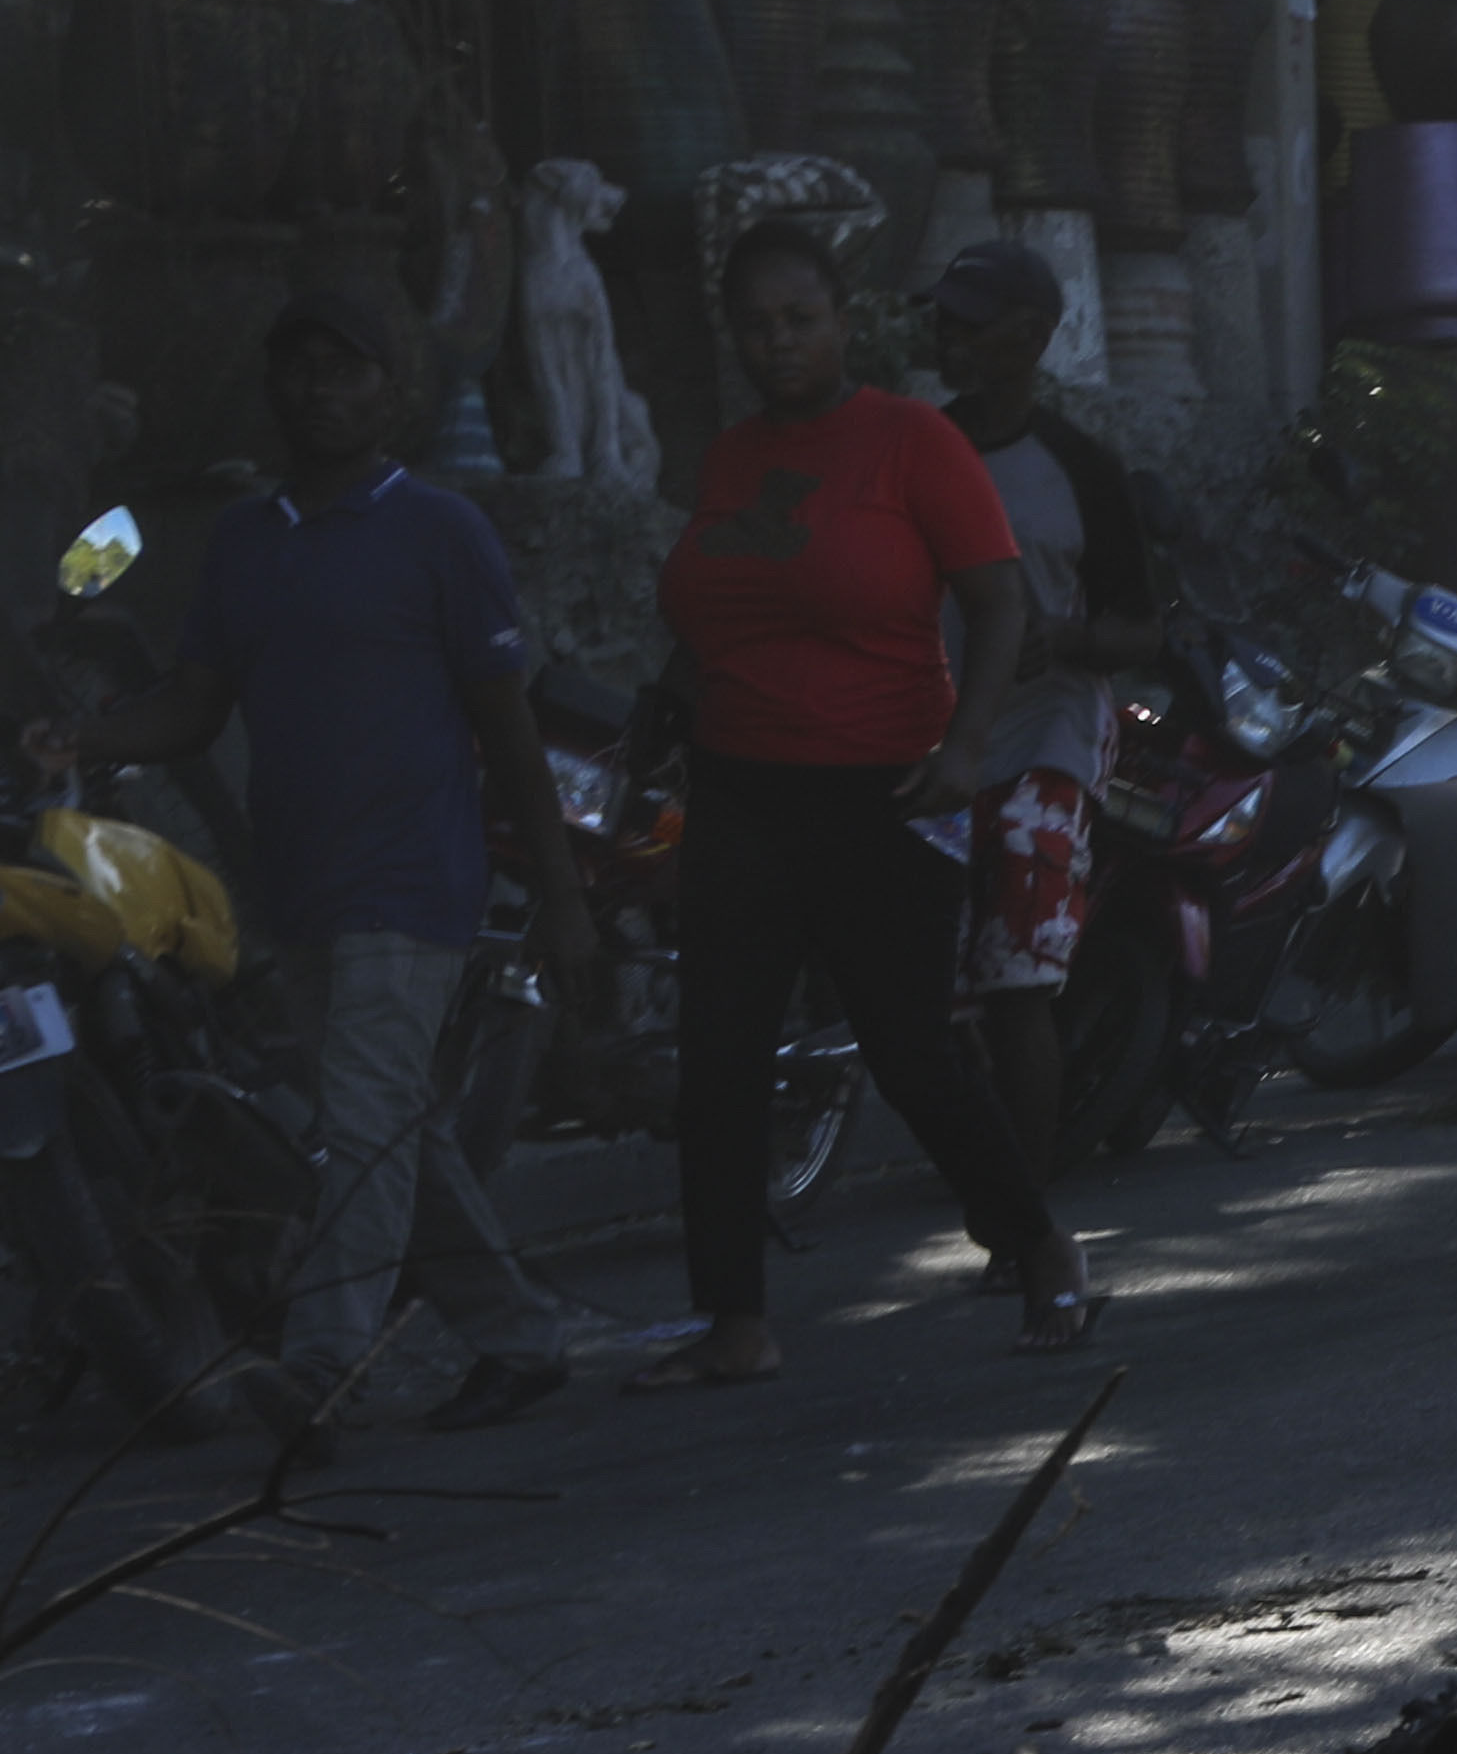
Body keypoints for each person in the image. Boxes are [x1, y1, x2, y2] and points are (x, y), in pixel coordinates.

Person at [37, 283, 593, 1432]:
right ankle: (522, 1335)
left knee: (369, 1116)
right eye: (299, 367)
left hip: (414, 879)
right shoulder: (244, 544)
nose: (319, 388)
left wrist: (564, 890)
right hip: (300, 887)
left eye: (347, 368)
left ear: (393, 393)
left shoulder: (443, 532)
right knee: (392, 1126)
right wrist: (85, 734)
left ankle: (324, 1363)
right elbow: (193, 706)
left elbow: (508, 727)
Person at [635, 213, 1089, 1379]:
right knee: (721, 1060)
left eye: (800, 319)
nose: (778, 343)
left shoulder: (907, 445)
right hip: (739, 789)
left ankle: (1034, 1242)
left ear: (845, 323)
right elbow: (715, 620)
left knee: (911, 1053)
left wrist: (967, 743)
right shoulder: (732, 459)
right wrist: (659, 727)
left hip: (882, 789)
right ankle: (735, 1320)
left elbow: (998, 605)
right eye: (755, 325)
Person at [917, 239, 1158, 1193]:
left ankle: (1021, 1211)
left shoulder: (1081, 468)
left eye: (970, 322)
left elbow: (1142, 626)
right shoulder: (918, 448)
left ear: (1033, 338)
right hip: (930, 741)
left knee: (1019, 981)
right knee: (939, 988)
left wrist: (1062, 639)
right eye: (944, 318)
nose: (949, 336)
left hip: (1044, 737)